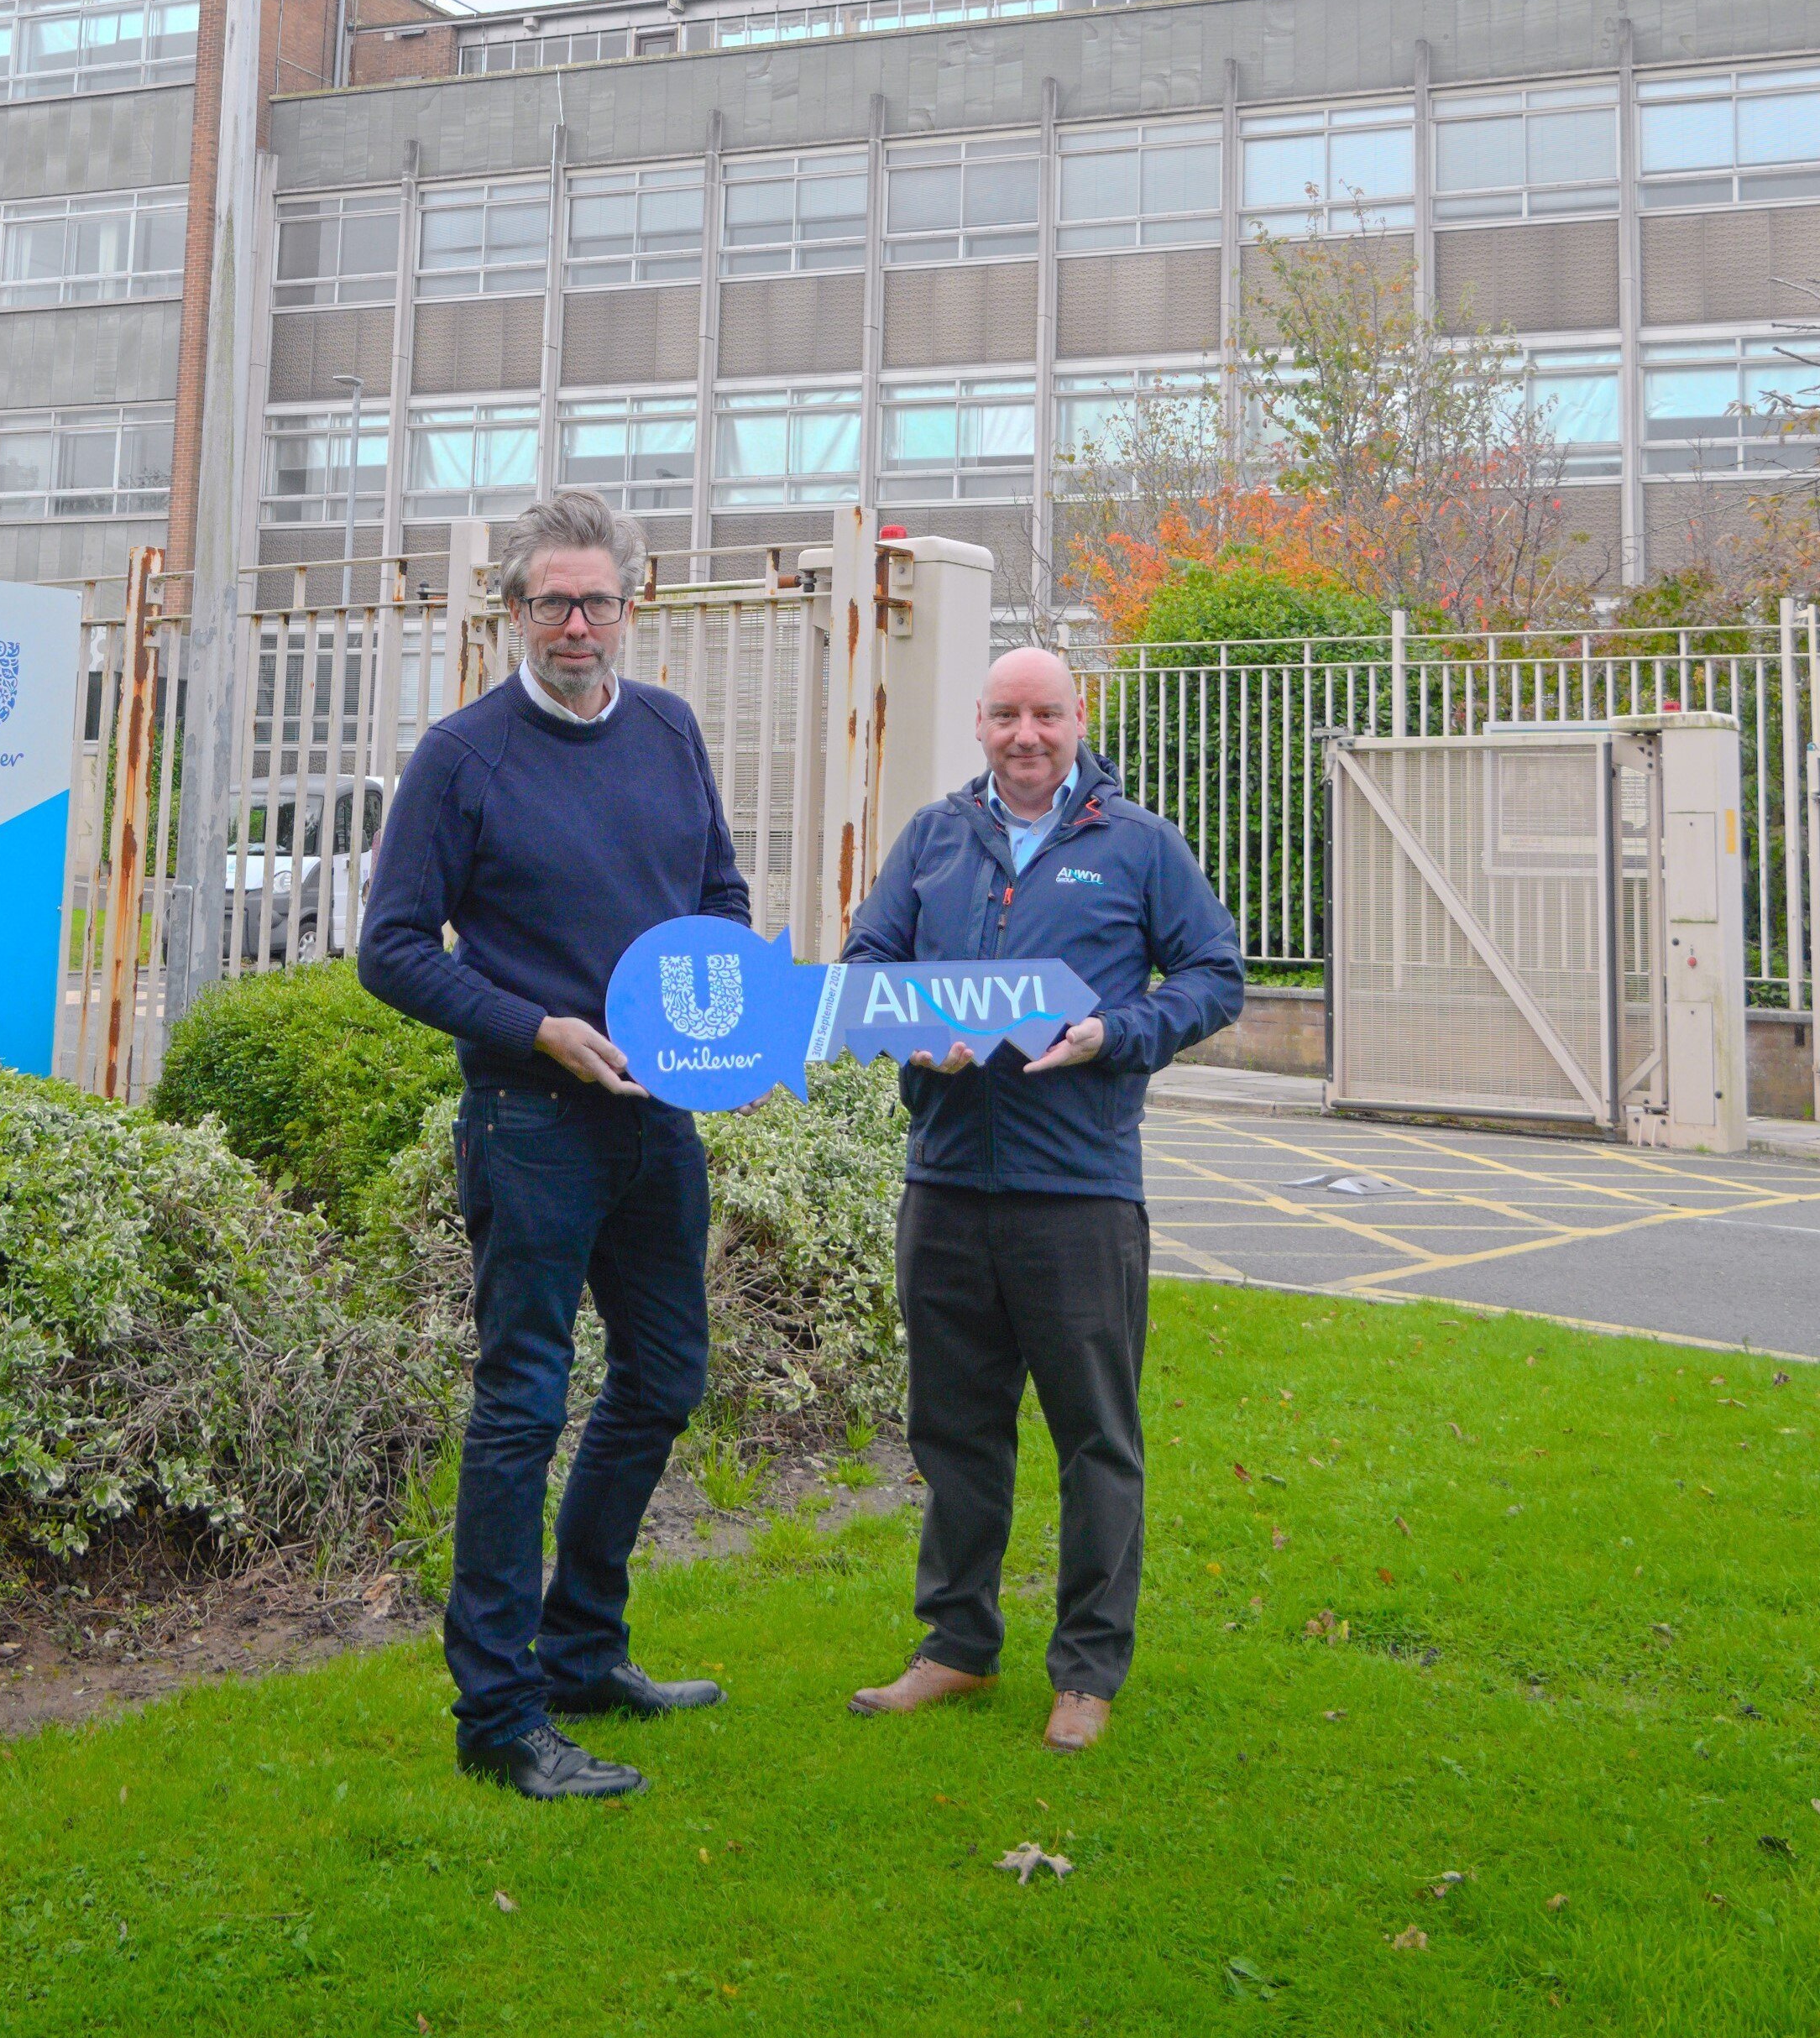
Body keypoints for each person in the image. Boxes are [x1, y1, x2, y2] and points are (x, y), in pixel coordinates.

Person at [358, 490, 747, 1801]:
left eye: (598, 600)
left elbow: (720, 899)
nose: (577, 624)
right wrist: (536, 1029)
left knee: (664, 1379)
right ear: (512, 609)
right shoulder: (463, 756)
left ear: (633, 604)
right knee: (522, 1402)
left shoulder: (673, 731)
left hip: (659, 1119)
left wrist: (721, 1026)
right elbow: (394, 950)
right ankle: (498, 1713)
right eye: (551, 602)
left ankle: (582, 1647)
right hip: (531, 1122)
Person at [839, 645, 1241, 1752]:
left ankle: (1088, 1669)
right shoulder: (933, 835)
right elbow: (865, 959)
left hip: (1079, 1192)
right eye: (1007, 714)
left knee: (1095, 1437)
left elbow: (1214, 973)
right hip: (946, 1183)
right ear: (979, 720)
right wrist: (917, 1023)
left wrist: (1120, 1033)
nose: (1027, 734)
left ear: (1078, 719)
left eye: (1047, 715)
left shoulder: (1139, 842)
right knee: (955, 1430)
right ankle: (957, 1646)